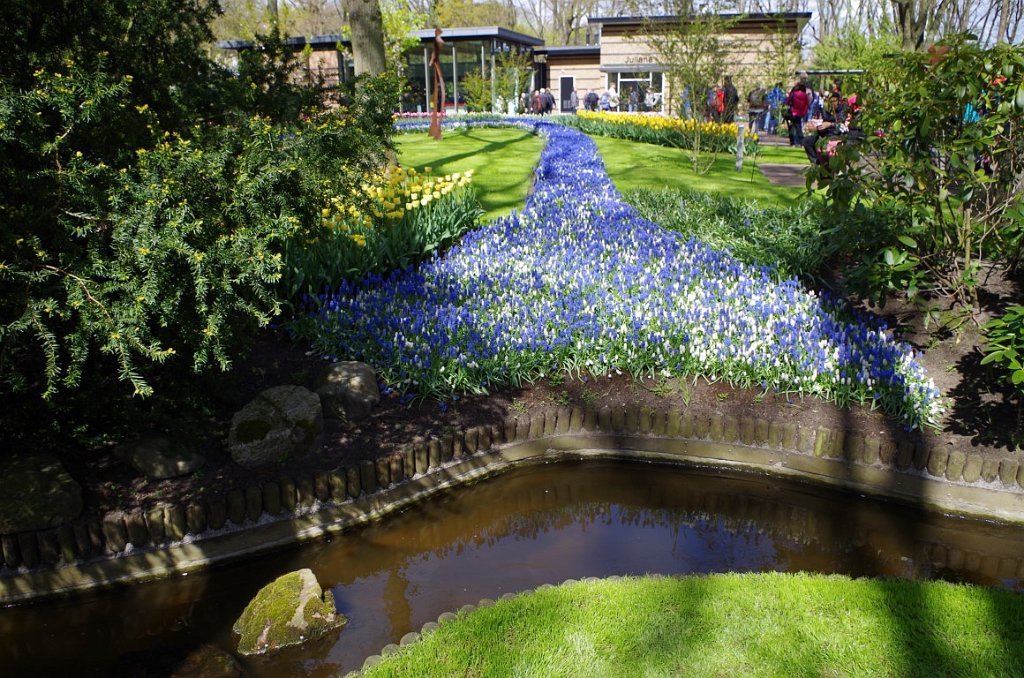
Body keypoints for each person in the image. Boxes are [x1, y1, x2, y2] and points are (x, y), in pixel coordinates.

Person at [786, 82, 809, 147]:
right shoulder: (805, 96)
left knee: (791, 128)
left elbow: (787, 102)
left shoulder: (793, 94)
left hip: (792, 113)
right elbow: (806, 106)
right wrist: (803, 113)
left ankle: (792, 143)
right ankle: (802, 143)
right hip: (799, 114)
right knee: (799, 128)